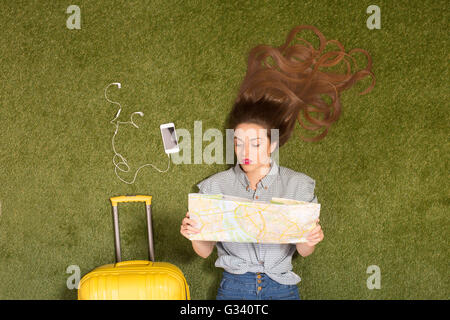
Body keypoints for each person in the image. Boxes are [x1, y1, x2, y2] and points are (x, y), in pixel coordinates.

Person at [180, 25, 375, 300]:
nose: (245, 151)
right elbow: (205, 249)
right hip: (235, 288)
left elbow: (304, 251)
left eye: (256, 143)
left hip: (282, 287)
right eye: (238, 142)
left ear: (272, 144)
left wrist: (311, 239)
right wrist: (194, 235)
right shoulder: (214, 187)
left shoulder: (299, 185)